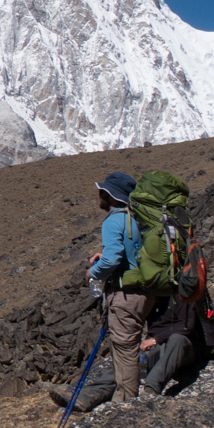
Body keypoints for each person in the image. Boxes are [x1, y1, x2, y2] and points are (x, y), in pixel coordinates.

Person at [85, 171, 153, 402]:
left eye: (103, 192)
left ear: (112, 196)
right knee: (130, 346)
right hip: (144, 292)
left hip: (125, 294)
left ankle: (124, 405)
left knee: (125, 351)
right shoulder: (136, 218)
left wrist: (93, 272)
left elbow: (113, 259)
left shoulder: (114, 220)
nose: (99, 195)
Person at [138, 289, 214, 396]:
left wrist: (155, 339)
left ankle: (152, 387)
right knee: (125, 363)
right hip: (158, 347)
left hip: (184, 348)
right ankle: (109, 390)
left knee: (177, 339)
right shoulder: (149, 295)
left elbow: (185, 327)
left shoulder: (182, 293)